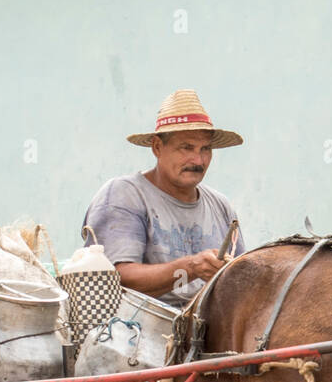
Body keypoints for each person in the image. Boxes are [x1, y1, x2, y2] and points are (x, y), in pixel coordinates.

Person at [82, 89, 244, 306]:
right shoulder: (125, 195)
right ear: (157, 147)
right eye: (186, 148)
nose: (198, 159)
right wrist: (192, 267)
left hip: (210, 331)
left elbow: (241, 278)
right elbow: (115, 277)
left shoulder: (220, 205)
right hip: (137, 332)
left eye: (205, 149)